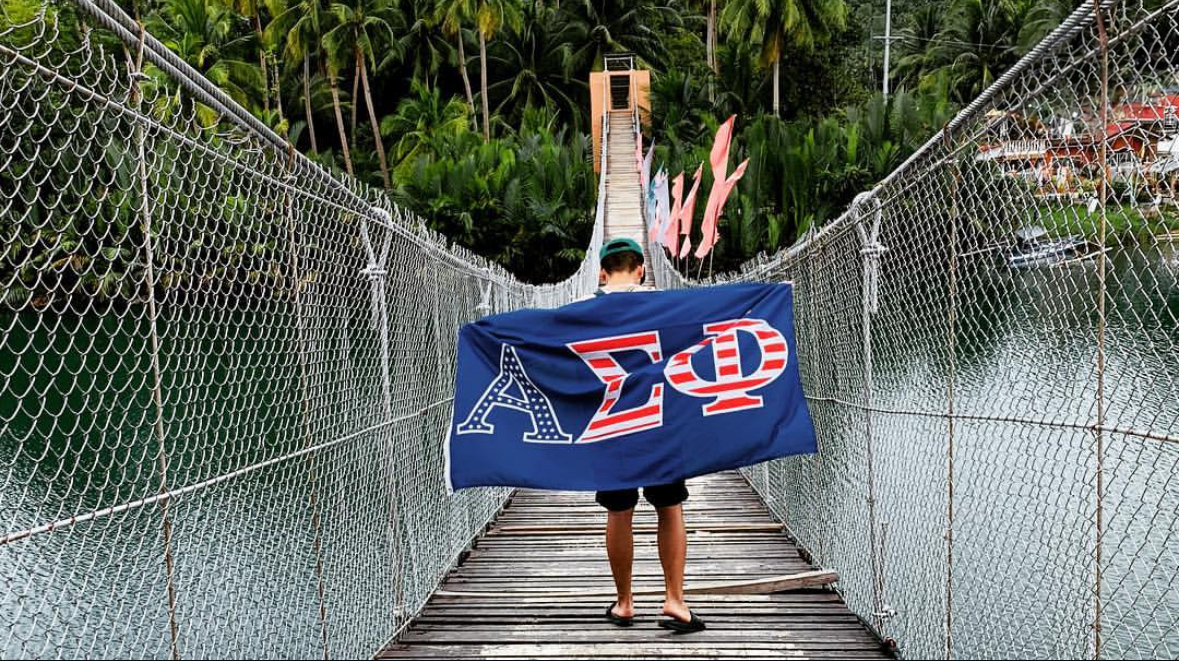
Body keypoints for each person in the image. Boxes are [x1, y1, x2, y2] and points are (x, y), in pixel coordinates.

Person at [589, 237, 706, 634]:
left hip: (612, 427)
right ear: (641, 270)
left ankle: (624, 603)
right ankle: (675, 600)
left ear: (601, 273)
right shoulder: (664, 308)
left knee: (619, 511)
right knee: (669, 508)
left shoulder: (584, 311)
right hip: (659, 423)